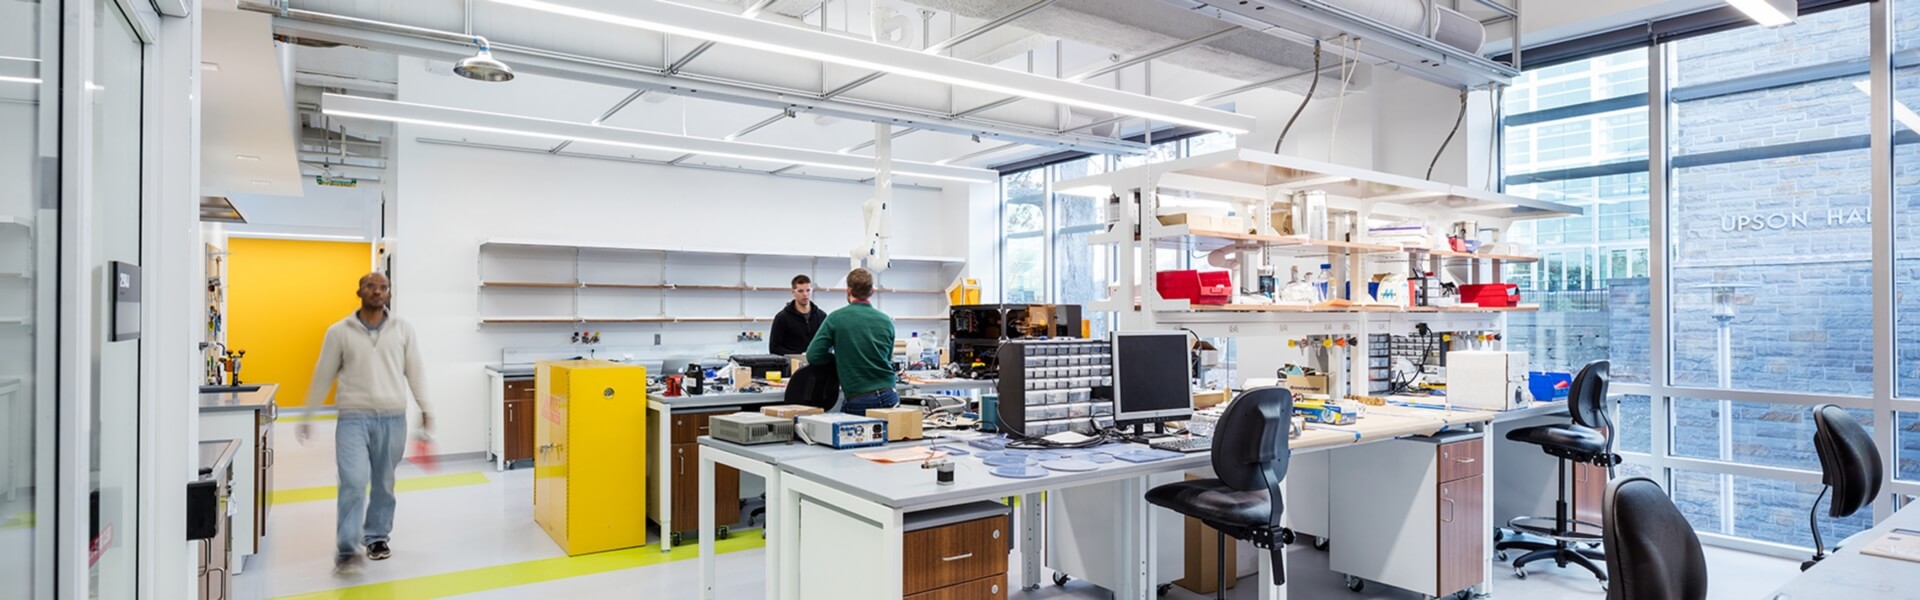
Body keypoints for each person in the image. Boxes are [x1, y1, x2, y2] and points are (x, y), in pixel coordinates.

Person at [299, 272, 432, 576]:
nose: (377, 291)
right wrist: (307, 413)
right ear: (359, 291)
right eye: (371, 286)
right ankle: (347, 550)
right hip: (353, 417)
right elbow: (323, 374)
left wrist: (425, 407)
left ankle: (376, 537)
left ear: (389, 294)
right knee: (353, 481)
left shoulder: (403, 329)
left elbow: (415, 370)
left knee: (384, 483)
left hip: (393, 417)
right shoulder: (339, 331)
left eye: (383, 287)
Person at [804, 268, 899, 414]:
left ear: (848, 291)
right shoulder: (886, 321)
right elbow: (887, 357)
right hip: (889, 394)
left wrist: (838, 359)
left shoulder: (836, 318)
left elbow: (813, 355)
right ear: (872, 292)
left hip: (859, 396)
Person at [768, 274, 826, 356]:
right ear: (793, 292)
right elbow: (774, 348)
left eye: (808, 290)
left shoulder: (821, 316)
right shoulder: (782, 318)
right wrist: (798, 355)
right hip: (792, 362)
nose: (805, 294)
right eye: (800, 291)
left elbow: (828, 343)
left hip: (816, 361)